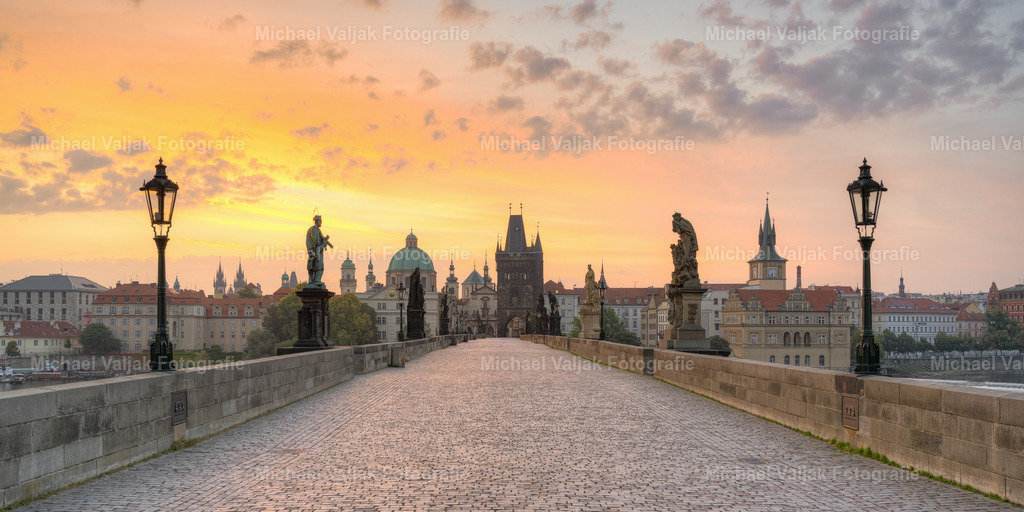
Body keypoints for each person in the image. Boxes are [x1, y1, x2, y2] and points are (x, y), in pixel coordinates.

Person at [306, 215, 332, 286]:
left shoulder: (317, 230)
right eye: (320, 221)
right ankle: (315, 280)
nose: (321, 222)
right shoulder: (314, 229)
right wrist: (322, 244)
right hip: (315, 251)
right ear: (317, 221)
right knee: (316, 266)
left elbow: (319, 240)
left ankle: (314, 280)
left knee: (316, 266)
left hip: (316, 251)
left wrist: (323, 243)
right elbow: (315, 241)